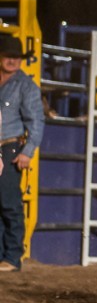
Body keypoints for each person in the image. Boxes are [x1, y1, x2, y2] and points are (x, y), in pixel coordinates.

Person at [0, 34, 45, 273]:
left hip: (10, 146)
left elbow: (35, 120)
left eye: (15, 57)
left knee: (8, 202)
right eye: (8, 56)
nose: (12, 61)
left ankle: (12, 256)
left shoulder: (26, 86)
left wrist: (27, 152)